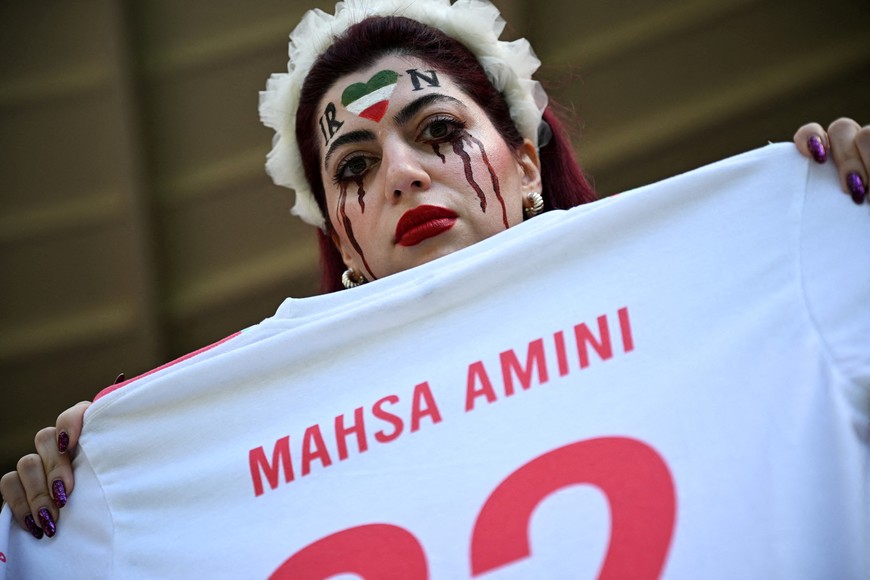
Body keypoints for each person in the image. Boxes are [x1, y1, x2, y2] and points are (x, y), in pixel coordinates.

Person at [1, 0, 868, 548]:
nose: (403, 175)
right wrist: (105, 481)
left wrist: (841, 224)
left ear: (527, 164)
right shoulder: (175, 440)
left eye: (438, 130)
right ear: (342, 243)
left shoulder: (744, 261)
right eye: (353, 168)